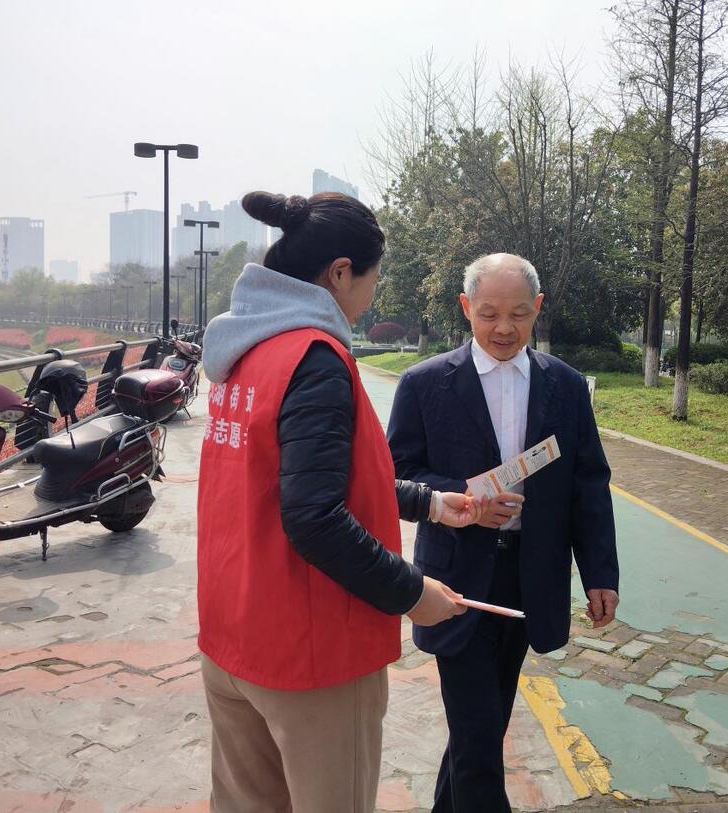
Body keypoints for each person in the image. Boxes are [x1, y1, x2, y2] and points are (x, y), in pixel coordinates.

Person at [197, 191, 479, 813]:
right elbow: (314, 516)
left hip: (234, 636)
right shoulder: (314, 359)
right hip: (311, 654)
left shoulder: (245, 351)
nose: (371, 297)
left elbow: (309, 480)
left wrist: (431, 504)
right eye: (372, 280)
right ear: (340, 273)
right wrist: (413, 592)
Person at [387, 252, 621, 813]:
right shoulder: (425, 384)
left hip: (529, 576)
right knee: (478, 739)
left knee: (483, 729)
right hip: (455, 582)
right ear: (465, 307)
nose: (503, 328)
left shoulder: (564, 386)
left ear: (537, 308)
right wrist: (459, 499)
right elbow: (393, 476)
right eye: (489, 313)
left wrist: (600, 574)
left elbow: (588, 483)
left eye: (518, 314)